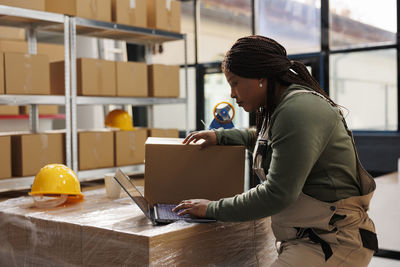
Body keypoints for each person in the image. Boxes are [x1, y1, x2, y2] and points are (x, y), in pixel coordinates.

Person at [172, 35, 378, 266]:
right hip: (309, 237)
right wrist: (220, 136)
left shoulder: (297, 110)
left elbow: (276, 194)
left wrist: (211, 208)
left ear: (260, 76)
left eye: (235, 82)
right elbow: (264, 139)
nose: (231, 93)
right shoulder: (281, 107)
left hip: (334, 242)